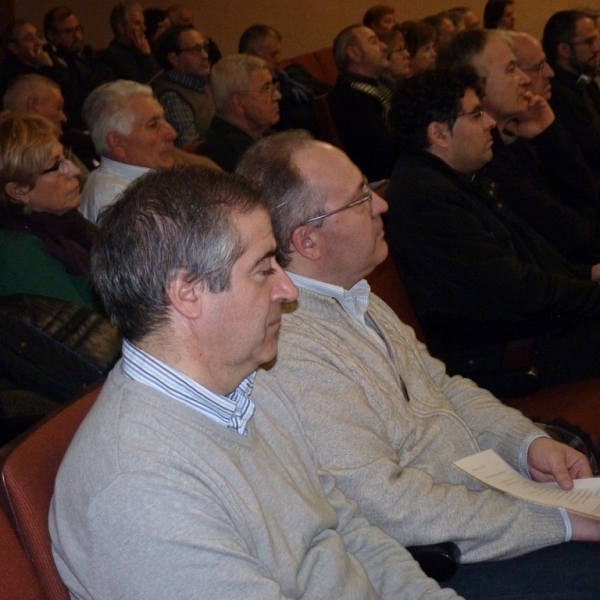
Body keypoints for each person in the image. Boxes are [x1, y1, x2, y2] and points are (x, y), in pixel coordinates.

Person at [49, 164, 460, 600]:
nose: (289, 290)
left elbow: (348, 531)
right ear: (188, 293)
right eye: (264, 270)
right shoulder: (137, 488)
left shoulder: (246, 385)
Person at [236, 125, 600, 600]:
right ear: (308, 241)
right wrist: (553, 522)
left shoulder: (357, 296)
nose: (382, 204)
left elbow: (443, 388)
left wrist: (526, 443)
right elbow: (389, 507)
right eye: (361, 197)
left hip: (485, 503)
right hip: (442, 558)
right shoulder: (289, 350)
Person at [385, 64, 600, 389]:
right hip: (513, 353)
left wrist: (588, 275)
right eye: (475, 115)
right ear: (439, 133)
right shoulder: (426, 198)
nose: (489, 123)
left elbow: (532, 257)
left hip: (533, 332)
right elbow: (518, 291)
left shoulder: (453, 177)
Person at [437, 29, 600, 264]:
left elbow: (584, 201)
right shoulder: (484, 160)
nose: (524, 79)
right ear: (475, 84)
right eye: (511, 69)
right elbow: (571, 234)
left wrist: (548, 133)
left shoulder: (514, 138)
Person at [0, 113, 98, 311]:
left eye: (65, 157)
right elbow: (80, 332)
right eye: (56, 166)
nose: (74, 170)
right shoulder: (19, 253)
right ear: (19, 191)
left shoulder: (67, 221)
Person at [79, 80, 177, 222]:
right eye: (153, 125)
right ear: (118, 143)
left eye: (165, 120)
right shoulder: (115, 201)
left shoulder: (147, 182)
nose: (172, 133)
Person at [329, 24, 396, 181]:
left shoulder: (379, 84)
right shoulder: (351, 98)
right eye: (373, 42)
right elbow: (380, 155)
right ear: (354, 53)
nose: (384, 46)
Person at [238, 24, 330, 135]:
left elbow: (328, 91)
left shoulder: (293, 74)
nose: (278, 60)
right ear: (252, 55)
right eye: (273, 55)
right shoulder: (251, 91)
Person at [197, 54, 281, 171]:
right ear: (239, 103)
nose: (278, 95)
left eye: (273, 86)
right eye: (266, 88)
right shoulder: (229, 154)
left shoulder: (265, 136)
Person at [542, 10, 600, 178]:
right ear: (564, 50)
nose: (597, 49)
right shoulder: (556, 94)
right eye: (589, 42)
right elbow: (590, 150)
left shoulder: (584, 81)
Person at [2, 74, 90, 182]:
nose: (64, 118)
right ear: (33, 105)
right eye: (58, 108)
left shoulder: (63, 142)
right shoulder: (24, 157)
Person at [43, 6, 114, 129]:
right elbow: (74, 99)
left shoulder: (85, 54)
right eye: (69, 32)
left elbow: (109, 77)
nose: (77, 36)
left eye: (78, 29)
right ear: (52, 36)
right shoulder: (51, 64)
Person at [152, 24, 215, 147]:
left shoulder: (204, 83)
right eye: (195, 50)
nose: (205, 55)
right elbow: (189, 147)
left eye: (205, 47)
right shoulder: (172, 96)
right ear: (174, 58)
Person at [102, 2, 162, 84]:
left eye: (143, 23)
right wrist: (146, 56)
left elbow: (160, 77)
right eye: (137, 23)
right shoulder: (115, 56)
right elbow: (145, 84)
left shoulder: (138, 48)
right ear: (121, 28)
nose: (144, 28)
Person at [0, 20, 54, 100]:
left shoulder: (51, 57)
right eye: (30, 39)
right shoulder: (12, 77)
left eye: (39, 36)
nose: (38, 42)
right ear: (14, 47)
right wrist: (47, 68)